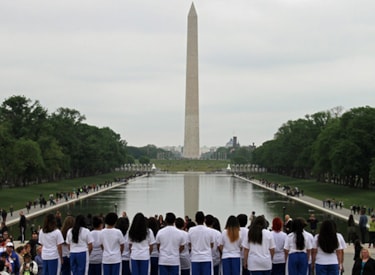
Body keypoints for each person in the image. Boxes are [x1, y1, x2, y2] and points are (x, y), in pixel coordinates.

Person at [187, 211, 214, 275]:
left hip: (195, 258)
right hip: (206, 258)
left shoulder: (191, 230)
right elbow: (212, 245)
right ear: (204, 220)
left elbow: (190, 244)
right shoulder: (210, 231)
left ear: (195, 220)